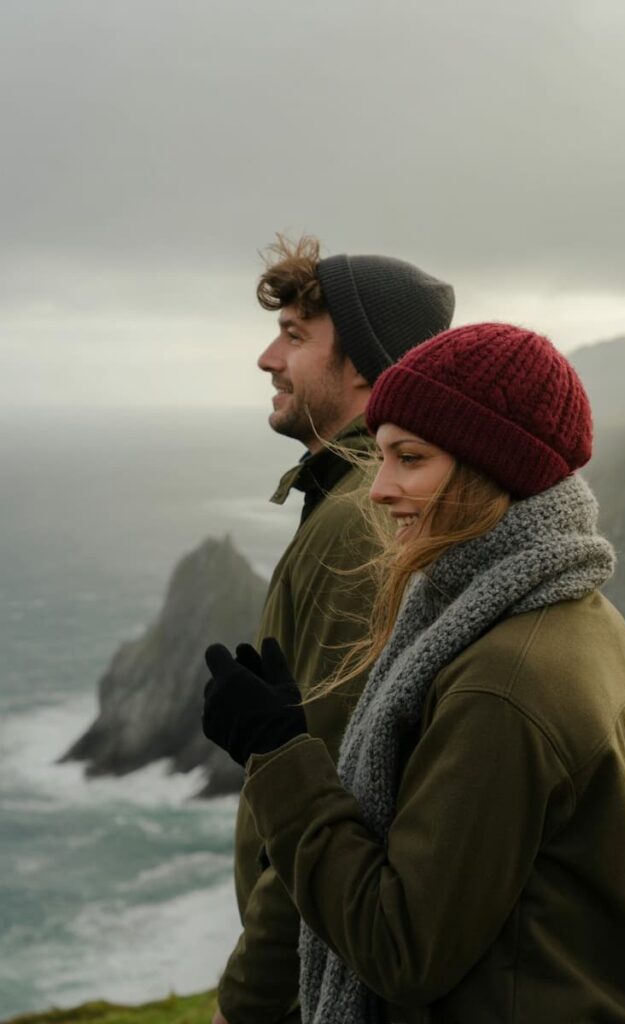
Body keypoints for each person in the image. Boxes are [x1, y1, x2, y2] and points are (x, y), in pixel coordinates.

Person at [203, 322, 625, 1024]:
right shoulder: (580, 614)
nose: (379, 488)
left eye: (410, 458)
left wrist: (279, 754)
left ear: (493, 469)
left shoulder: (503, 683)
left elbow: (400, 948)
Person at [214, 236, 455, 1024]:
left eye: (292, 337)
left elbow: (334, 782)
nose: (265, 359)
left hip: (316, 977)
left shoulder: (359, 522)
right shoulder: (349, 498)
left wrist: (250, 999)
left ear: (361, 367)